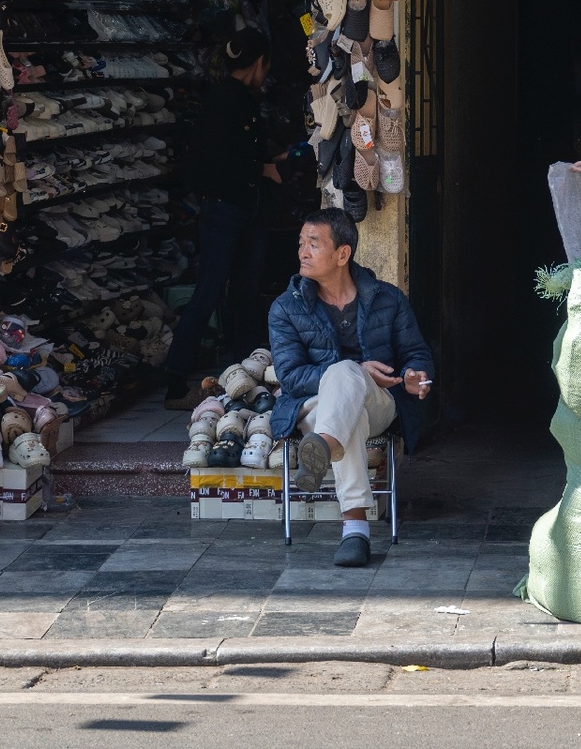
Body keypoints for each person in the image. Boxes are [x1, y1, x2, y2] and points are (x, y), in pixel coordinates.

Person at [270, 208, 433, 568]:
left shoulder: (387, 299)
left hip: (380, 404)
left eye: (313, 244)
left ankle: (323, 452)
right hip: (313, 409)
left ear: (342, 255)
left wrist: (414, 376)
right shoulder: (286, 308)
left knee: (352, 391)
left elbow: (416, 354)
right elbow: (291, 377)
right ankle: (354, 530)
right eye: (301, 244)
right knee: (348, 398)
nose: (302, 253)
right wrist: (354, 369)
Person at [161, 29, 283, 408]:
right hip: (226, 209)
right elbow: (215, 163)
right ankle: (175, 383)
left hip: (242, 207)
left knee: (244, 293)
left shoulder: (237, 98)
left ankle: (243, 378)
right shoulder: (226, 101)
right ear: (260, 62)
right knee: (210, 293)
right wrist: (261, 169)